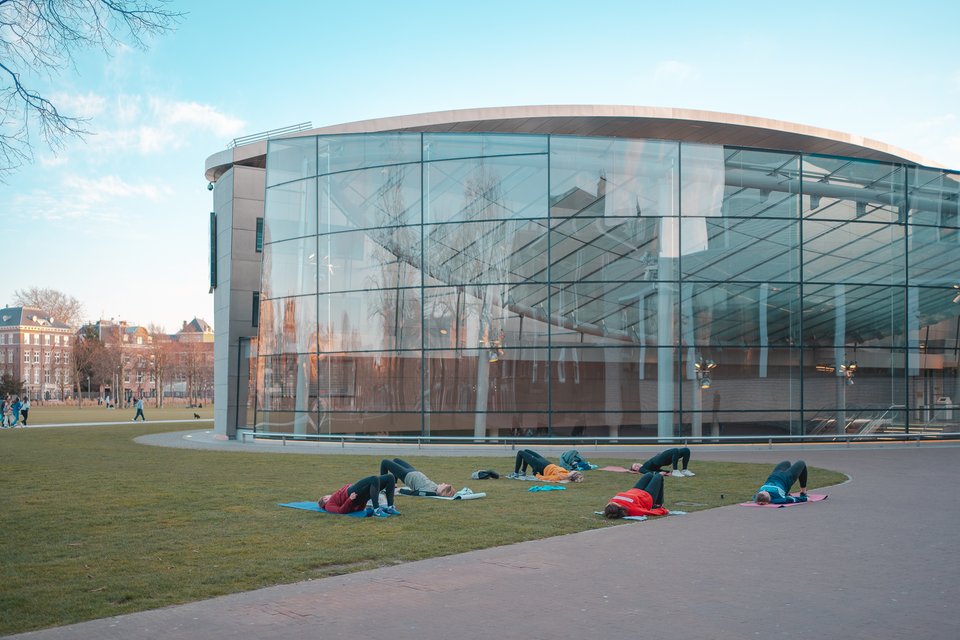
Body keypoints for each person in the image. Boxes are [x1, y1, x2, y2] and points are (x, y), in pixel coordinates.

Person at [318, 473, 401, 517]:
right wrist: (350, 499)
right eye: (326, 496)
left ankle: (390, 507)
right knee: (373, 478)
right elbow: (341, 511)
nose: (329, 495)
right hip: (350, 494)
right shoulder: (328, 505)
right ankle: (377, 510)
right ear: (325, 499)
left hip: (357, 496)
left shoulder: (332, 500)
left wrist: (363, 503)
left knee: (390, 477)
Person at [602, 472, 670, 518]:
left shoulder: (611, 503)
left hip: (635, 490)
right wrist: (664, 511)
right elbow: (650, 512)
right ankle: (658, 503)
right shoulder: (633, 510)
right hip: (647, 496)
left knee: (649, 474)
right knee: (658, 476)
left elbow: (608, 508)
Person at [379, 458, 456, 497]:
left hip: (406, 475)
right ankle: (394, 485)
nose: (442, 483)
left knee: (384, 462)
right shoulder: (436, 487)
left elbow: (415, 493)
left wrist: (401, 490)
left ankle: (382, 488)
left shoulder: (429, 492)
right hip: (413, 471)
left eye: (443, 485)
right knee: (396, 460)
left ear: (441, 491)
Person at [509, 449, 583, 482]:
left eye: (574, 472)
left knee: (520, 452)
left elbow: (547, 478)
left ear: (572, 475)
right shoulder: (566, 472)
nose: (572, 471)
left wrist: (536, 475)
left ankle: (515, 473)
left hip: (542, 467)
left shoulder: (560, 476)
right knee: (526, 451)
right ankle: (523, 472)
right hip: (547, 463)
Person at [630, 447, 694, 477]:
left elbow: (659, 470)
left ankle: (684, 470)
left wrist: (667, 472)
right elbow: (648, 472)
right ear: (636, 470)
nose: (637, 466)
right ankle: (675, 471)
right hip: (658, 460)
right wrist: (659, 474)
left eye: (636, 464)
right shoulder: (642, 469)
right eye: (635, 467)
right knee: (675, 450)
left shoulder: (645, 465)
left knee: (686, 450)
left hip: (662, 460)